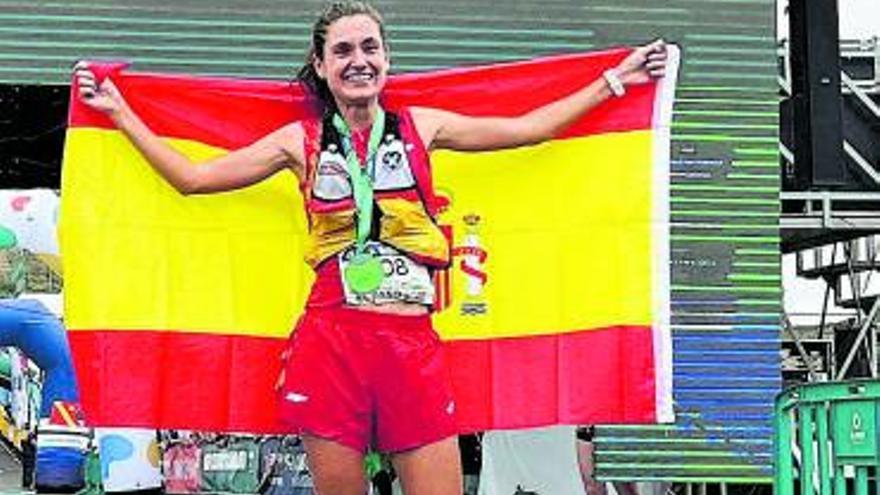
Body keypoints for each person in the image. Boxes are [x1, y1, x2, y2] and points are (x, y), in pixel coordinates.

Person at [74, 2, 667, 494]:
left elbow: (528, 129)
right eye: (344, 51)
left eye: (369, 48)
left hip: (411, 348)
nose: (359, 61)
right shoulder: (297, 140)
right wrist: (120, 112)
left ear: (386, 58)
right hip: (331, 344)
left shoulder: (422, 127)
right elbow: (193, 178)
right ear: (321, 64)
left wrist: (616, 81)